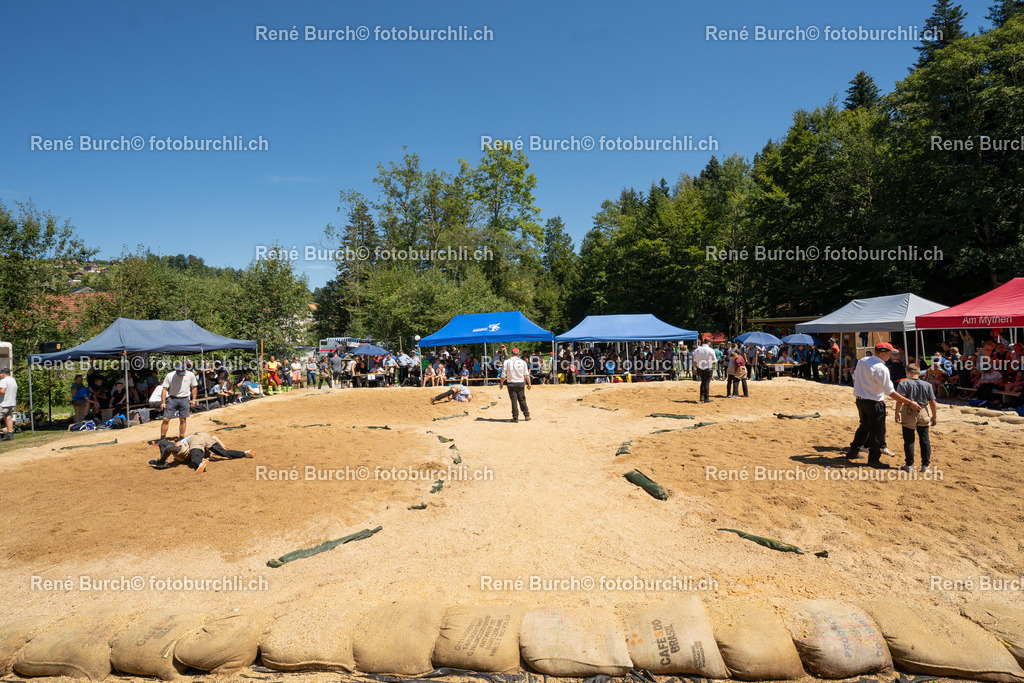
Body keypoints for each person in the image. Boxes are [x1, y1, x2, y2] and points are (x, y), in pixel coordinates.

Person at [846, 343, 921, 469]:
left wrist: (863, 389)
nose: (891, 356)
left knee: (864, 427)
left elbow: (854, 378)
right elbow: (890, 392)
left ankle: (853, 451)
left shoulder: (863, 361)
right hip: (873, 402)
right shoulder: (881, 368)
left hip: (860, 400)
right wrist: (909, 402)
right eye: (889, 353)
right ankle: (874, 460)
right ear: (882, 353)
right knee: (876, 431)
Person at [895, 363, 938, 473]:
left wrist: (897, 413)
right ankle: (925, 466)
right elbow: (932, 402)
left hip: (909, 411)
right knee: (924, 438)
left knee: (909, 439)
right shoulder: (927, 385)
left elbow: (900, 400)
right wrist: (934, 416)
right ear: (919, 373)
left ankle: (909, 465)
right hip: (923, 411)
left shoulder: (903, 384)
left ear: (907, 373)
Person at [149, 432, 254, 474]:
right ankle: (244, 453)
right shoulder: (205, 449)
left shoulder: (196, 446)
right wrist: (222, 446)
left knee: (195, 459)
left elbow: (178, 444)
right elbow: (214, 438)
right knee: (225, 453)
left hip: (191, 442)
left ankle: (162, 462)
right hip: (204, 435)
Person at [159, 362, 198, 440]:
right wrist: (163, 402)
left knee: (183, 419)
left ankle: (181, 437)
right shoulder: (169, 376)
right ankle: (162, 438)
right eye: (179, 372)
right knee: (166, 419)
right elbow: (164, 389)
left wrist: (194, 399)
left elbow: (194, 387)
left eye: (182, 372)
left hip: (184, 398)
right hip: (172, 398)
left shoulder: (190, 375)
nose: (181, 374)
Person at [499, 347, 531, 422]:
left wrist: (501, 384)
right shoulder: (523, 362)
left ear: (512, 354)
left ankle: (515, 417)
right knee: (522, 399)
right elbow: (526, 374)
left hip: (511, 383)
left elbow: (503, 375)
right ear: (518, 354)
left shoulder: (507, 362)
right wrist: (529, 384)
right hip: (520, 383)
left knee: (514, 400)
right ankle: (526, 415)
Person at [0, 367, 18, 441]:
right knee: (8, 417)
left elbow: (2, 391)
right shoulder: (13, 380)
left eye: (0, 374)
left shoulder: (3, 381)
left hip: (3, 403)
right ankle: (10, 435)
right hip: (11, 402)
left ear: (3, 374)